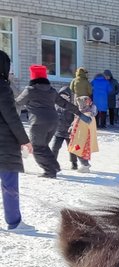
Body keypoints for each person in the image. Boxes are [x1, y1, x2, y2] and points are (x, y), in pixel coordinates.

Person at [15, 65, 86, 177]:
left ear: (33, 77)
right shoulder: (51, 90)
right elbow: (64, 103)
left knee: (37, 147)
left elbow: (17, 103)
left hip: (38, 123)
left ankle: (49, 171)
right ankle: (55, 166)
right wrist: (78, 112)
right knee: (43, 145)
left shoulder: (30, 90)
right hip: (54, 122)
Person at [0, 50, 35, 231]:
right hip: (4, 143)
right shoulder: (2, 87)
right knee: (9, 184)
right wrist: (24, 140)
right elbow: (12, 117)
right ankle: (14, 222)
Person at [51, 86, 90, 171]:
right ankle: (52, 164)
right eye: (61, 96)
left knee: (74, 149)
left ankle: (75, 163)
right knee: (54, 148)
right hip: (58, 132)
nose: (63, 98)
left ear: (69, 97)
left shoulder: (71, 107)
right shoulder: (55, 106)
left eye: (66, 96)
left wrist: (73, 126)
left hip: (70, 133)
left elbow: (76, 118)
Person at [67, 96, 99, 169]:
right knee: (79, 150)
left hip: (82, 138)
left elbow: (84, 126)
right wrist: (72, 127)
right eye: (79, 105)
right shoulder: (82, 113)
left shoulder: (87, 115)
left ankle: (85, 165)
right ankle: (85, 164)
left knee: (78, 150)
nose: (80, 107)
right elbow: (76, 122)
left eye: (81, 105)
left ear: (86, 104)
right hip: (79, 137)